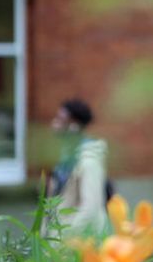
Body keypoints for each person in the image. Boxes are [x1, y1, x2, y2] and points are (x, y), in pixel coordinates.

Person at [44, 98, 109, 235]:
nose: (54, 124)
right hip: (59, 247)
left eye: (60, 119)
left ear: (74, 125)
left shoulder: (89, 161)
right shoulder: (64, 161)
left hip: (77, 246)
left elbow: (90, 209)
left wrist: (63, 240)